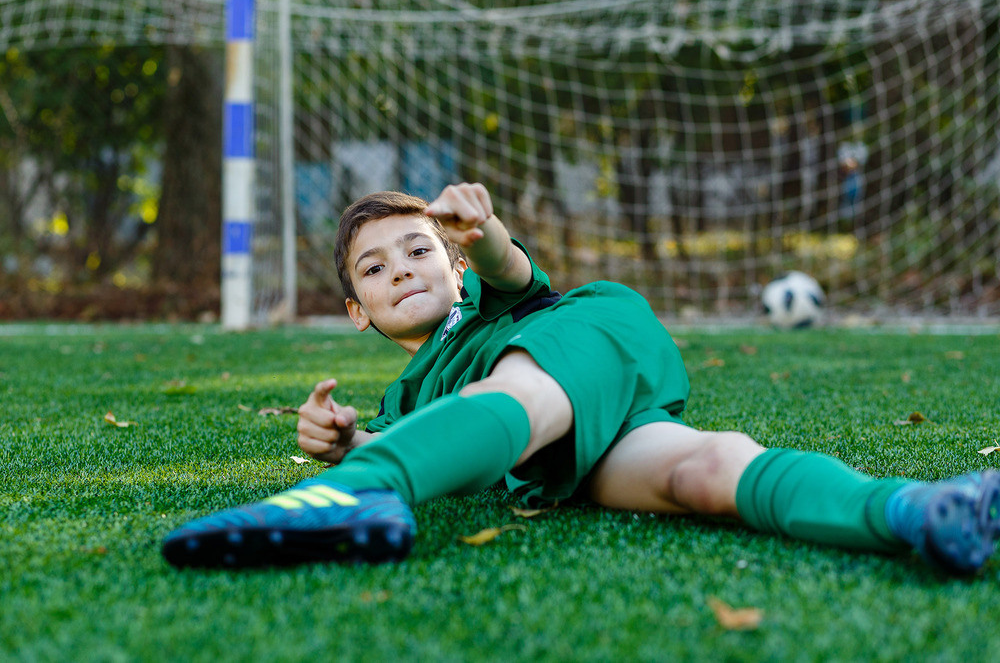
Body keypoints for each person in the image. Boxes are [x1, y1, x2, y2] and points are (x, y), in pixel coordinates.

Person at [162, 183, 1000, 576]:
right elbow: (434, 436)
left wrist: (482, 233)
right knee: (705, 472)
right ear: (357, 311)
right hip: (577, 451)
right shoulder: (407, 394)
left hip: (587, 341)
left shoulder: (487, 299)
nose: (404, 269)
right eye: (376, 268)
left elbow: (515, 268)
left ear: (453, 265)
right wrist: (349, 437)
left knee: (519, 388)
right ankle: (917, 510)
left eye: (421, 249)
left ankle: (364, 491)